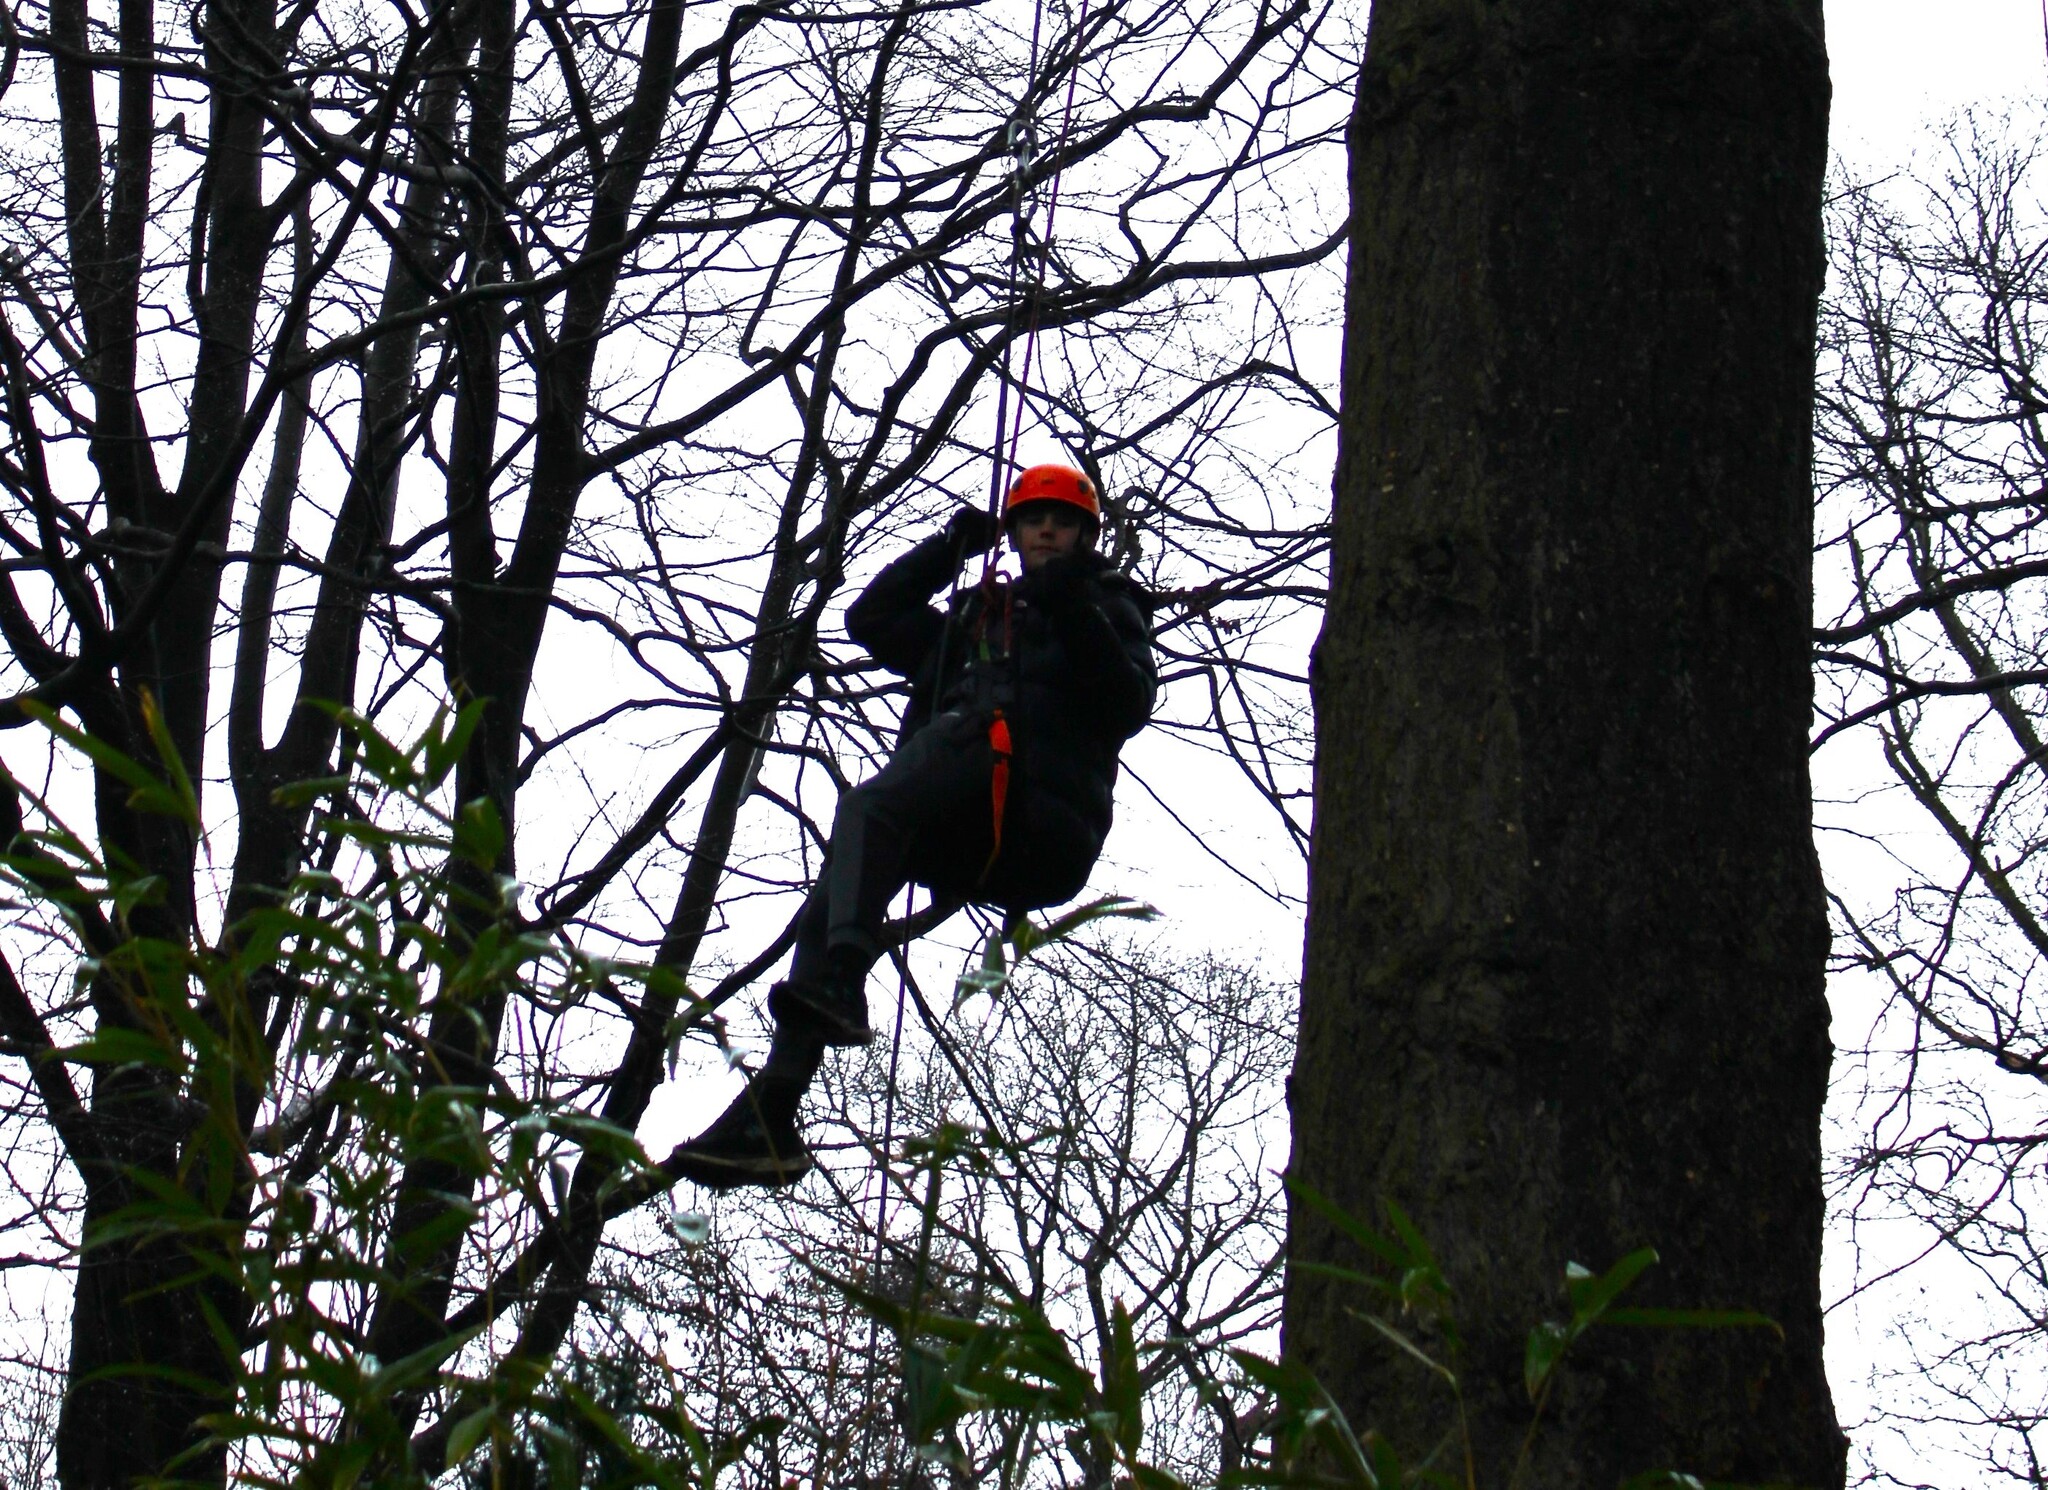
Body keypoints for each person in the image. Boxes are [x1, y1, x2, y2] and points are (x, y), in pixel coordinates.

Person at [671, 463, 1157, 1187]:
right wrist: (947, 550)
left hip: (1037, 816)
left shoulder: (1106, 605)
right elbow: (871, 619)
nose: (1047, 531)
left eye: (1062, 522)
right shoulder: (973, 625)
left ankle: (842, 980)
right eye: (1033, 520)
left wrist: (1072, 606)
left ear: (1085, 536)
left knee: (876, 803)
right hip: (966, 821)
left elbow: (1127, 702)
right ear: (1015, 533)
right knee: (835, 895)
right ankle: (773, 1108)